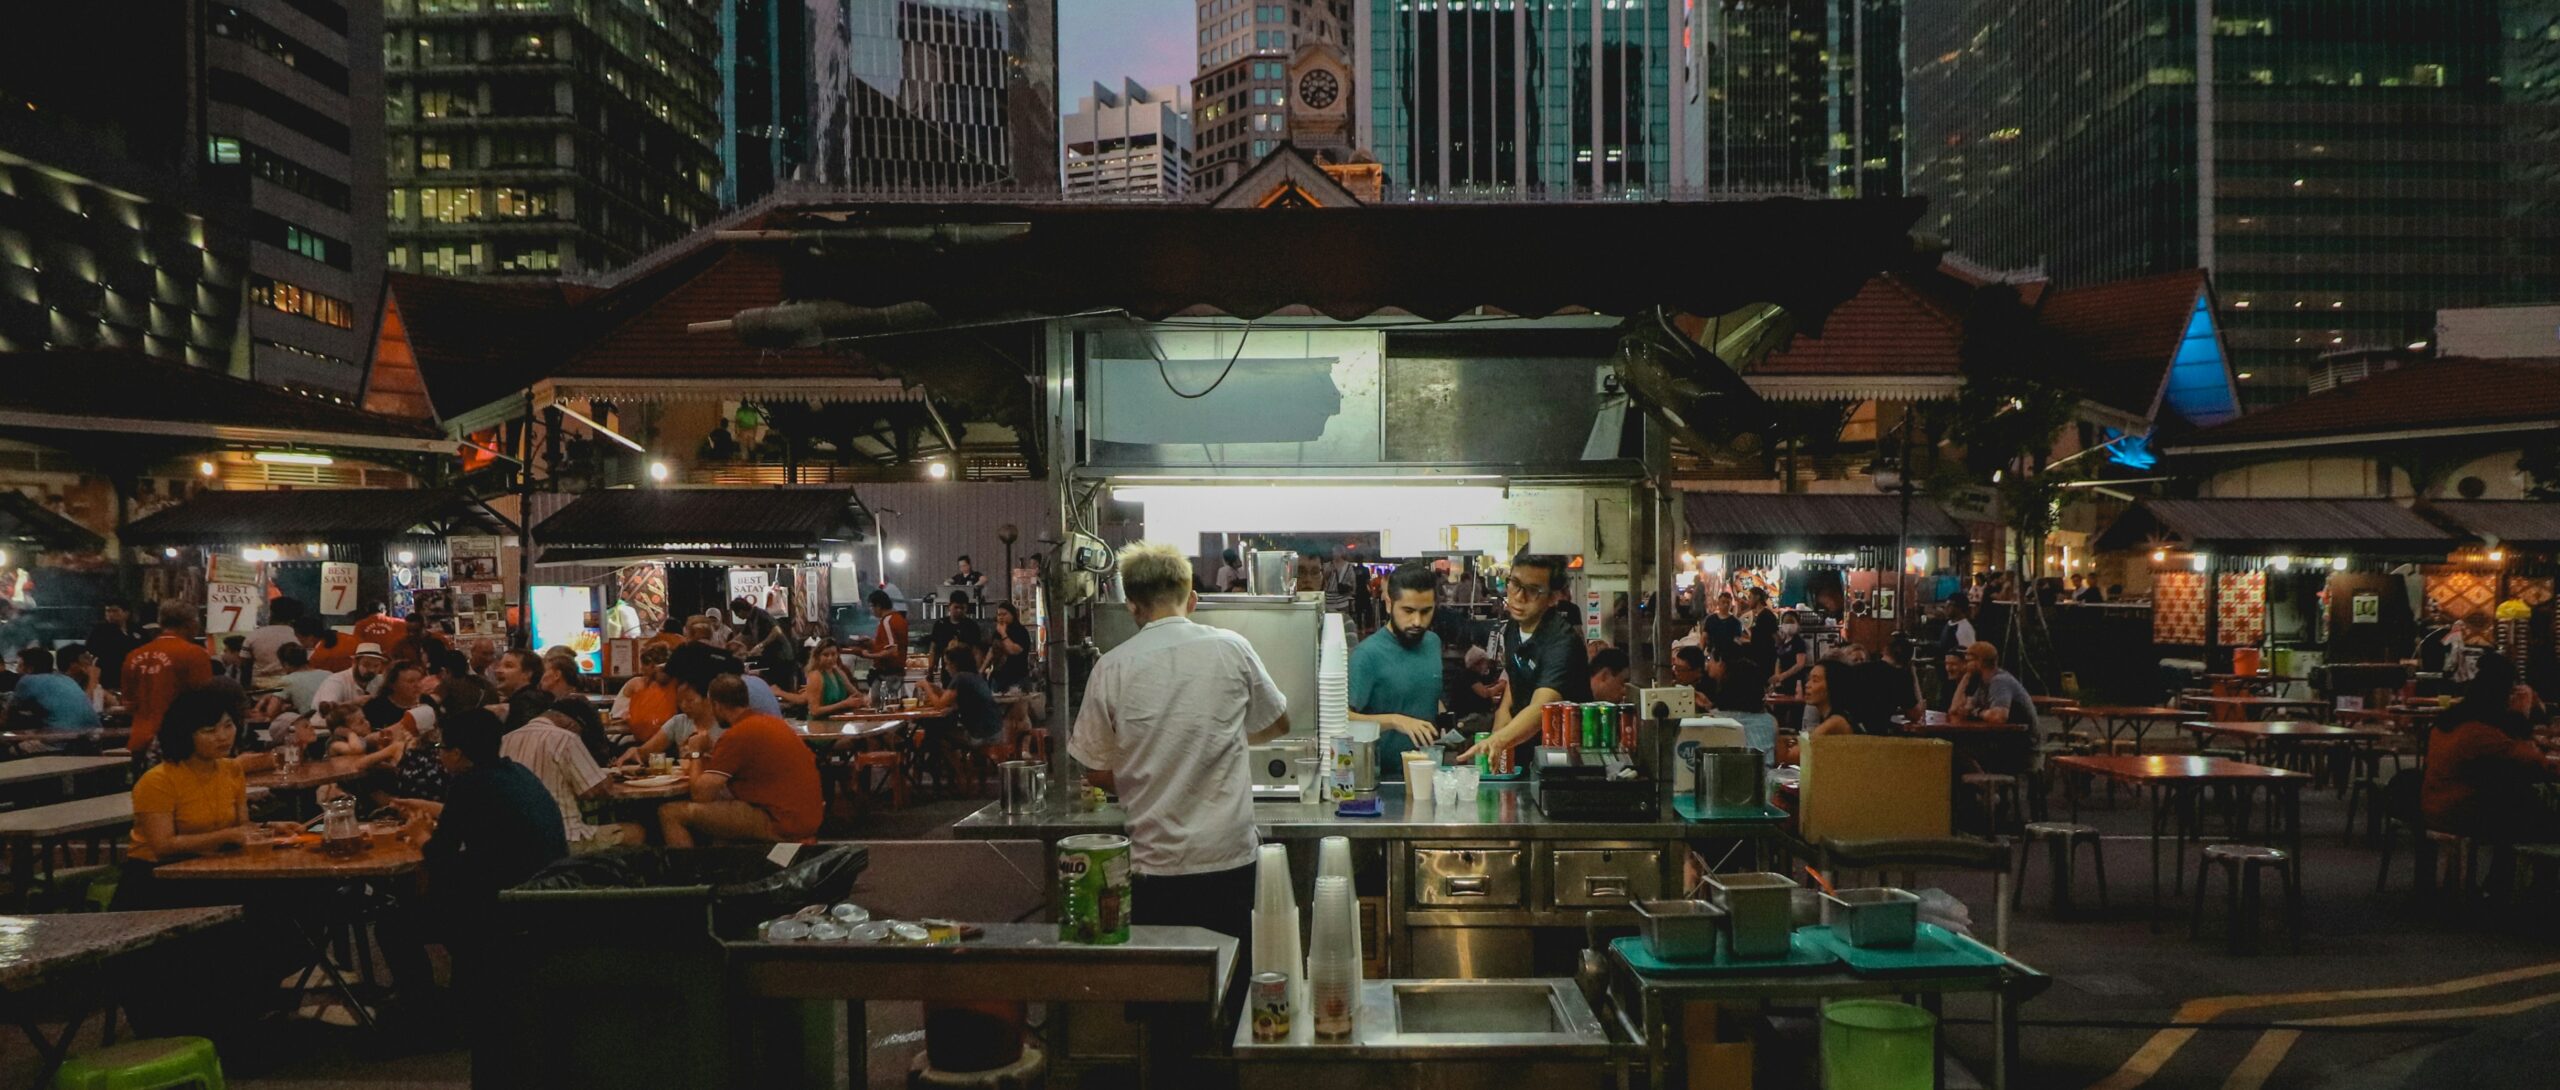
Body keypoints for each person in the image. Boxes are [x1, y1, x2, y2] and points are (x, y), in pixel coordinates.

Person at [1070, 541, 1287, 947]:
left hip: (1154, 867)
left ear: (1131, 606)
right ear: (1193, 599)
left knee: (1167, 988)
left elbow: (1095, 768)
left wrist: (1144, 777)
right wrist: (1216, 740)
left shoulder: (1111, 667)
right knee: (1233, 986)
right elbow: (1277, 723)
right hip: (1229, 859)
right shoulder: (1231, 647)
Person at [381, 707, 571, 1005]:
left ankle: (421, 1007)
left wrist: (419, 834)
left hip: (503, 905)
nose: (439, 754)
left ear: (457, 753)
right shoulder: (515, 772)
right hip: (544, 891)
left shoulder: (468, 784)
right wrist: (423, 808)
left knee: (394, 923)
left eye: (441, 748)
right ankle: (470, 989)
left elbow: (439, 856)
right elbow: (483, 817)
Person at [659, 673, 822, 847]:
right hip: (808, 815)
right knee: (720, 825)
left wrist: (695, 753)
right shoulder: (772, 723)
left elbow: (701, 795)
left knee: (670, 813)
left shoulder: (737, 734)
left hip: (780, 820)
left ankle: (687, 874)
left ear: (716, 705)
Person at [1458, 553, 1589, 769]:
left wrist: (1497, 741)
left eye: (1533, 590)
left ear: (1554, 597)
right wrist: (1493, 759)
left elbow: (1541, 708)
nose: (1519, 596)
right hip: (1524, 753)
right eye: (1515, 584)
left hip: (1562, 760)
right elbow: (1513, 687)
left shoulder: (1562, 642)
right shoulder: (1513, 628)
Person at [2422, 654, 2559, 842]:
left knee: (2519, 799)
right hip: (2461, 813)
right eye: (2512, 693)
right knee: (2539, 816)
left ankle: (2502, 871)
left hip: (2435, 807)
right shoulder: (2480, 734)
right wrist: (2523, 715)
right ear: (2499, 696)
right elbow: (2536, 763)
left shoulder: (2451, 722)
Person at [501, 706, 648, 854]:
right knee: (636, 832)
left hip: (516, 840)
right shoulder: (566, 738)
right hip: (564, 838)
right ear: (572, 725)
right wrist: (607, 776)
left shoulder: (505, 740)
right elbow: (596, 790)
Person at [1348, 563, 1444, 776]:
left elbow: (1422, 693)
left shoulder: (1432, 643)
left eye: (1426, 611)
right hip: (1380, 778)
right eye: (1408, 611)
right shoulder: (1367, 655)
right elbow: (1344, 719)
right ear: (1389, 604)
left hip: (1427, 771)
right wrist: (1395, 720)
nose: (1417, 621)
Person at [122, 600, 216, 761]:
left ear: (161, 622)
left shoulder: (133, 656)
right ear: (191, 623)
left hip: (140, 741)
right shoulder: (195, 654)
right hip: (180, 742)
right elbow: (204, 702)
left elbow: (129, 703)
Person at [918, 644, 1004, 748]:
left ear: (955, 664)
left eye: (947, 664)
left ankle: (955, 764)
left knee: (936, 732)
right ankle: (964, 763)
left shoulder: (960, 678)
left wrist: (926, 686)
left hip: (978, 735)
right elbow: (954, 697)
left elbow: (939, 705)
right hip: (996, 732)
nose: (946, 668)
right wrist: (934, 688)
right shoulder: (975, 677)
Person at [537, 657, 610, 763]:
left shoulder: (569, 704)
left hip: (582, 765)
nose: (540, 677)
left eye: (544, 671)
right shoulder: (578, 700)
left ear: (557, 675)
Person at [1951, 642, 2037, 730]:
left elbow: (1999, 717)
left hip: (2022, 739)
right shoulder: (1982, 682)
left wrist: (1976, 712)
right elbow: (1954, 710)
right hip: (2001, 735)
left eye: (1968, 661)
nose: (1965, 665)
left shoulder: (2000, 681)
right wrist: (1967, 676)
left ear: (1980, 662)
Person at [6, 647, 97, 729]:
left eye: (20, 666)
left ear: (30, 669)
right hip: (95, 735)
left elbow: (8, 714)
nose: (17, 670)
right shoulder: (66, 679)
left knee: (13, 745)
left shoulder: (27, 680)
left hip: (61, 740)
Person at [610, 643, 682, 742]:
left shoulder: (672, 685)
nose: (641, 669)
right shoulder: (637, 684)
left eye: (643, 665)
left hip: (642, 738)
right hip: (628, 736)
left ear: (653, 666)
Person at [243, 596, 305, 687]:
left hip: (258, 692)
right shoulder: (299, 638)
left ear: (271, 613)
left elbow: (245, 667)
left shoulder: (254, 635)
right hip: (289, 690)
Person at [314, 642, 390, 710]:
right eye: (366, 665)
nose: (372, 670)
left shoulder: (380, 681)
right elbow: (326, 709)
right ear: (354, 663)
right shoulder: (336, 681)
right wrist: (353, 703)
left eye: (376, 666)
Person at [86, 600, 142, 691]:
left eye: (115, 611)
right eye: (108, 611)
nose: (111, 614)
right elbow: (91, 649)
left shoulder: (137, 630)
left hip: (134, 674)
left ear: (126, 613)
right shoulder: (100, 631)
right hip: (109, 675)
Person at [926, 592, 982, 681]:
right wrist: (930, 669)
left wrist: (979, 672)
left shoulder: (971, 626)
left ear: (967, 608)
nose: (959, 610)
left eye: (962, 608)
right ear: (949, 606)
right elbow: (933, 649)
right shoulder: (940, 625)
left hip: (968, 673)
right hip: (947, 672)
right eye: (956, 607)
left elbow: (977, 651)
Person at [855, 589, 908, 682]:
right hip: (896, 673)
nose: (871, 610)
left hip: (889, 674)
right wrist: (872, 642)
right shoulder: (898, 618)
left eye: (871, 606)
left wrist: (868, 655)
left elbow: (892, 650)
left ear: (878, 606)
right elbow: (892, 644)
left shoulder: (887, 621)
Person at [801, 641, 865, 718]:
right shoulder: (816, 675)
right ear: (818, 656)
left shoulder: (838, 672)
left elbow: (857, 694)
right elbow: (814, 710)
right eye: (826, 655)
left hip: (838, 722)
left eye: (833, 654)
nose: (830, 658)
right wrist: (844, 704)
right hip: (820, 724)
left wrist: (863, 700)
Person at [272, 641, 331, 716]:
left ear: (286, 664)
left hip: (309, 722)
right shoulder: (328, 674)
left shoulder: (287, 680)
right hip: (333, 721)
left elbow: (272, 711)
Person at [987, 602, 1036, 692]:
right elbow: (992, 651)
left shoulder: (1021, 632)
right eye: (999, 615)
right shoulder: (997, 632)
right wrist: (982, 669)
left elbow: (1013, 650)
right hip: (998, 677)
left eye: (1004, 614)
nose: (1001, 617)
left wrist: (1003, 634)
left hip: (1017, 677)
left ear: (1012, 615)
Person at [1449, 645, 1506, 719]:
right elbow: (1484, 693)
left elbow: (1480, 689)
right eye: (1485, 663)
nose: (1487, 666)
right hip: (1466, 717)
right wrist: (1501, 685)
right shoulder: (1468, 675)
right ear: (1478, 663)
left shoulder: (1469, 674)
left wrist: (1494, 685)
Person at [729, 596, 787, 667]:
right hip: (769, 655)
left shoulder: (761, 614)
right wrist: (729, 645)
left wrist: (760, 645)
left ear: (741, 611)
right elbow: (742, 636)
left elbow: (777, 630)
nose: (737, 616)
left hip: (781, 655)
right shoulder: (750, 619)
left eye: (736, 613)